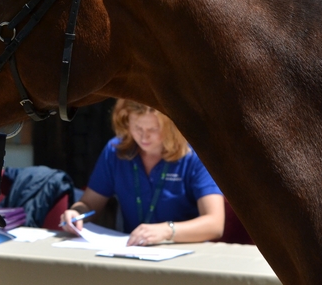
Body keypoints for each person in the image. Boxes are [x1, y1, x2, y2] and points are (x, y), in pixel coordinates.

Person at [60, 99, 225, 246]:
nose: (144, 137)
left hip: (184, 253)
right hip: (132, 251)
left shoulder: (193, 155)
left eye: (153, 129)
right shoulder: (115, 151)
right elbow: (89, 204)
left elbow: (215, 223)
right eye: (137, 127)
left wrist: (167, 231)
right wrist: (76, 213)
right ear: (126, 121)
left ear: (172, 126)